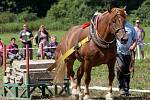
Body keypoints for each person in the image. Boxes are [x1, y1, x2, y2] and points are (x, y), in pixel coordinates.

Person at [116, 18, 137, 96]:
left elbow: (135, 39)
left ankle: (126, 88)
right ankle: (121, 87)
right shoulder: (116, 26)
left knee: (127, 70)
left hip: (128, 52)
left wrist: (133, 46)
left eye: (123, 16)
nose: (122, 18)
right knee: (121, 67)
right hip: (118, 52)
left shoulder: (131, 27)